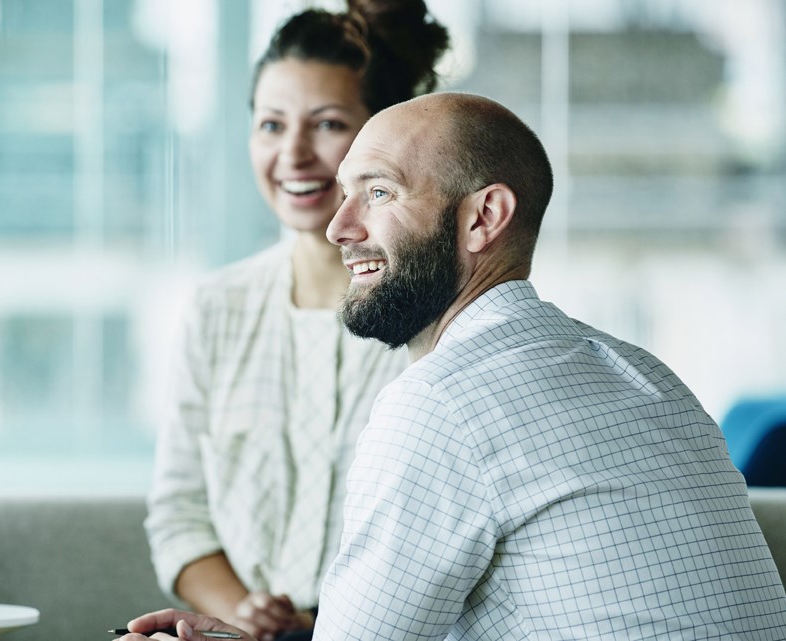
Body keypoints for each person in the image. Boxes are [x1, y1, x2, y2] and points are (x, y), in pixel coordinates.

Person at [120, 93, 786, 640]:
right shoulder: (646, 375)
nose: (339, 226)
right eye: (345, 193)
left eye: (377, 193)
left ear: (483, 218)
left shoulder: (442, 403)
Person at [143, 3, 448, 640]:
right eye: (271, 125)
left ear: (381, 140)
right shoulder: (215, 308)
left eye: (329, 124)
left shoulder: (438, 320)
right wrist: (243, 614)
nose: (294, 154)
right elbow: (179, 516)